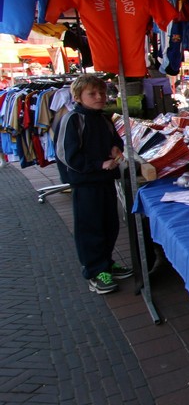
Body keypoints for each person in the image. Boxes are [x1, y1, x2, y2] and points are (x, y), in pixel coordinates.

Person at [54, 74, 132, 294]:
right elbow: (66, 155)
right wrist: (98, 164)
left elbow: (115, 140)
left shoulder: (103, 118)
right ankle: (95, 271)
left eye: (102, 93)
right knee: (90, 228)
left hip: (105, 180)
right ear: (78, 97)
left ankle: (106, 262)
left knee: (109, 225)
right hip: (85, 184)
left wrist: (116, 149)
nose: (99, 97)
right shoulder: (73, 119)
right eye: (93, 93)